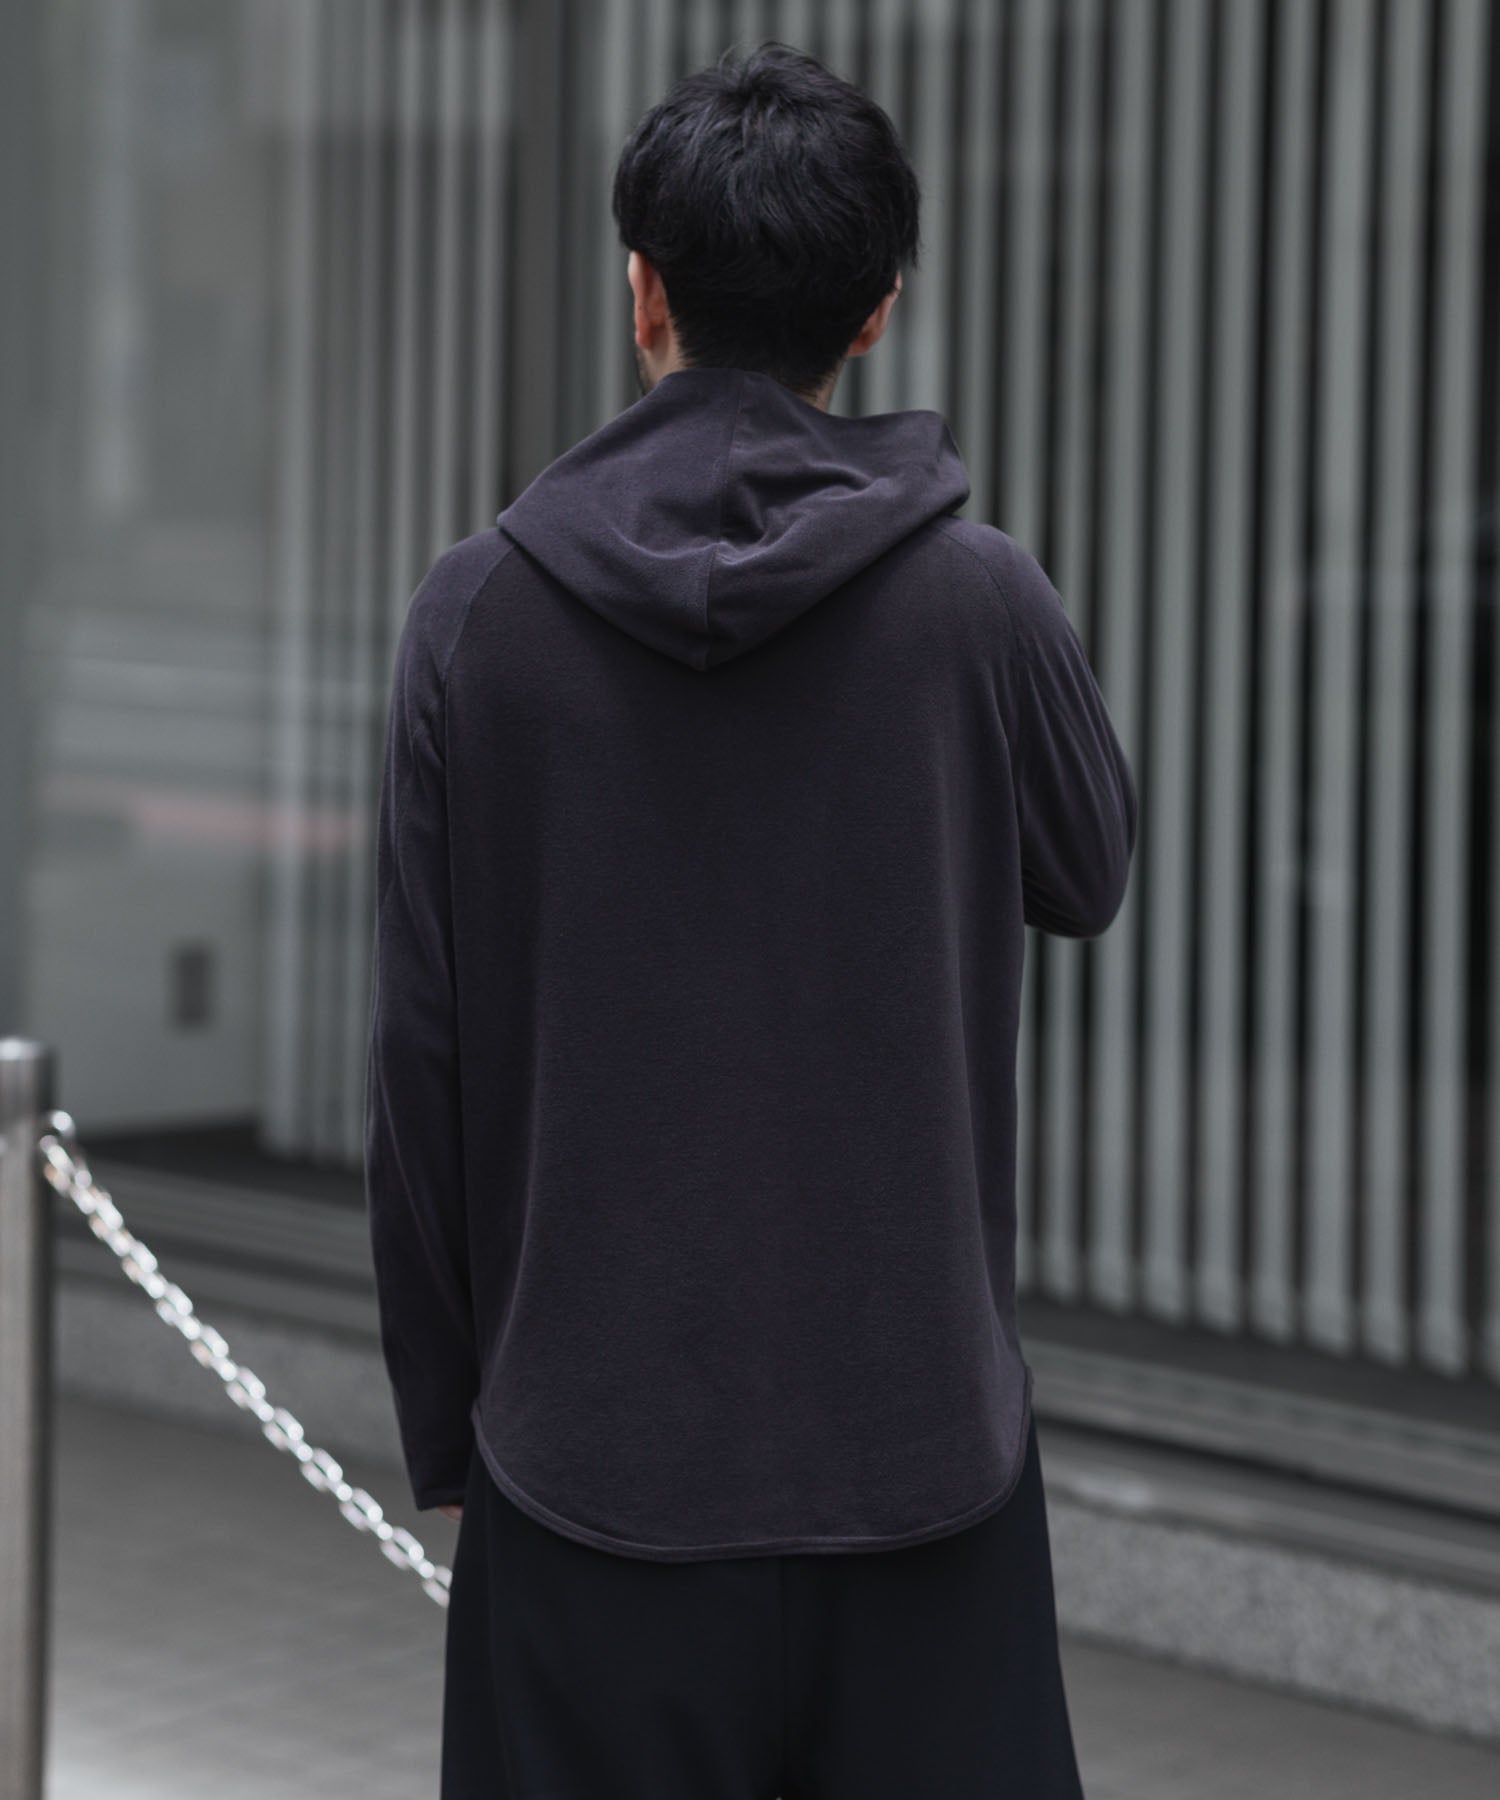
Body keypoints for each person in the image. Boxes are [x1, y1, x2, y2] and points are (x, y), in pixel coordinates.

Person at [365, 37, 1136, 1800]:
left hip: (584, 1464)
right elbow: (1087, 870)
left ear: (643, 291)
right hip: (923, 1460)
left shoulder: (478, 615)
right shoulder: (978, 598)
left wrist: (452, 1427)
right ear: (875, 312)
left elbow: (422, 1059)